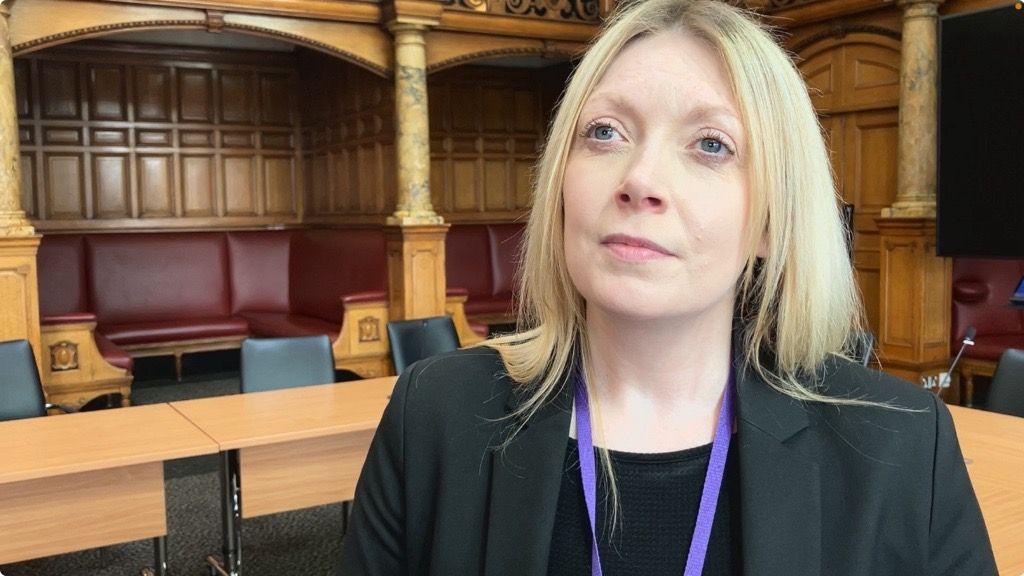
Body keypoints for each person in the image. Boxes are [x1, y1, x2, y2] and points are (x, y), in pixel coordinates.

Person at [341, 0, 997, 574]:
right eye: (605, 132)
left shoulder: (905, 449)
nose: (640, 177)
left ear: (772, 218)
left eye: (711, 145)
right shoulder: (432, 417)